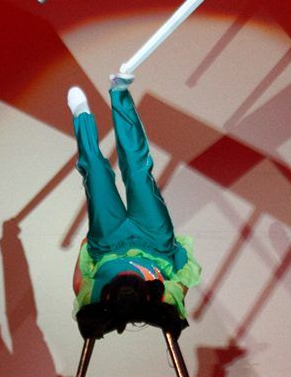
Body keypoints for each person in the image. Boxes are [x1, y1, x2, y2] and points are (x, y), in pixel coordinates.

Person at [67, 74, 201, 318]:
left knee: (96, 174)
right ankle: (120, 93)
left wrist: (84, 249)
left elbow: (78, 284)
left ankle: (81, 115)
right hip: (155, 242)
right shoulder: (164, 297)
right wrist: (176, 250)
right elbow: (186, 276)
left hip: (109, 244)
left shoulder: (96, 296)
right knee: (139, 174)